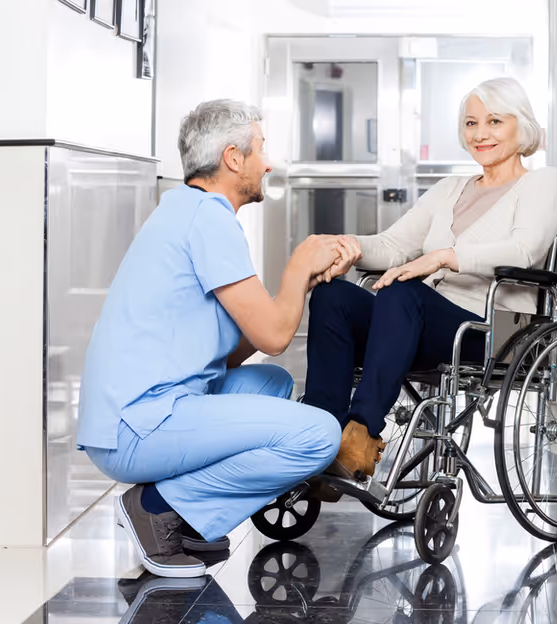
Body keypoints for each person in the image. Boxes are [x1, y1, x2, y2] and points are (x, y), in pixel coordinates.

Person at [77, 99, 357, 578]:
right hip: (135, 427)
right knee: (318, 435)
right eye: (261, 150)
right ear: (233, 158)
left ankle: (181, 515)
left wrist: (301, 285)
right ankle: (158, 508)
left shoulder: (188, 210)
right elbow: (274, 335)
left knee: (269, 383)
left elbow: (234, 351)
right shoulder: (209, 218)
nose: (268, 163)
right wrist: (297, 264)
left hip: (141, 411)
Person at [303, 77, 557, 481]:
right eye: (471, 123)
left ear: (522, 125)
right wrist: (345, 246)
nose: (480, 134)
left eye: (494, 121)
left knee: (403, 290)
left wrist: (444, 257)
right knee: (333, 295)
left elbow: (525, 249)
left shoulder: (542, 182)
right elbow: (394, 244)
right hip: (412, 321)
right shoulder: (450, 188)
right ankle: (319, 436)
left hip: (486, 328)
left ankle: (360, 434)